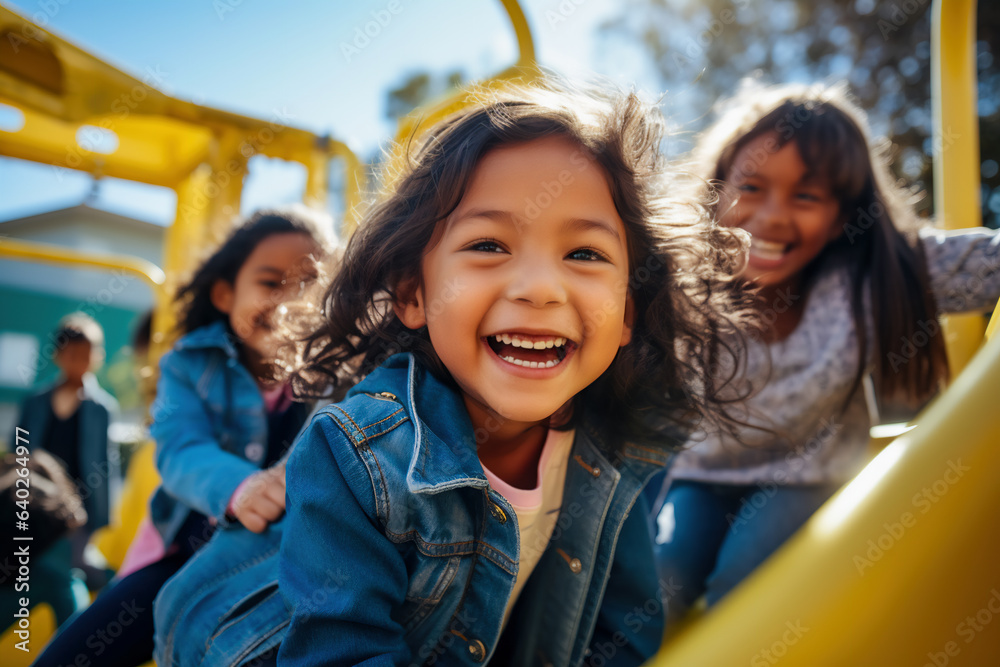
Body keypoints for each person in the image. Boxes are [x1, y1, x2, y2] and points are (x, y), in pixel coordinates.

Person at [153, 78, 754, 667]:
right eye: (489, 245)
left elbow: (621, 634)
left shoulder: (614, 446)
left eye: (585, 254)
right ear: (415, 293)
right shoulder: (360, 452)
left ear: (628, 308)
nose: (540, 287)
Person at [651, 82, 1000, 632]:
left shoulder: (864, 279)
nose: (771, 216)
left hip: (805, 474)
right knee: (658, 582)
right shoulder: (683, 280)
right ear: (717, 191)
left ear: (842, 217)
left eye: (806, 197)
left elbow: (984, 265)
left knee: (744, 587)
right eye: (751, 187)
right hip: (702, 472)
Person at [32, 207, 332, 667]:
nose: (291, 301)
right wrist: (243, 487)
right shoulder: (189, 365)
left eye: (310, 285)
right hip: (186, 552)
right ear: (225, 293)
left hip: (285, 565)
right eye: (271, 284)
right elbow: (180, 449)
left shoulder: (332, 377)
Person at [17, 313, 119, 607]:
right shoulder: (36, 402)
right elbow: (19, 450)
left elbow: (105, 463)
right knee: (36, 568)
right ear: (58, 355)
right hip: (36, 503)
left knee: (70, 569)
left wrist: (101, 517)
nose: (80, 362)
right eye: (73, 355)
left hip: (77, 508)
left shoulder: (101, 407)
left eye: (87, 356)